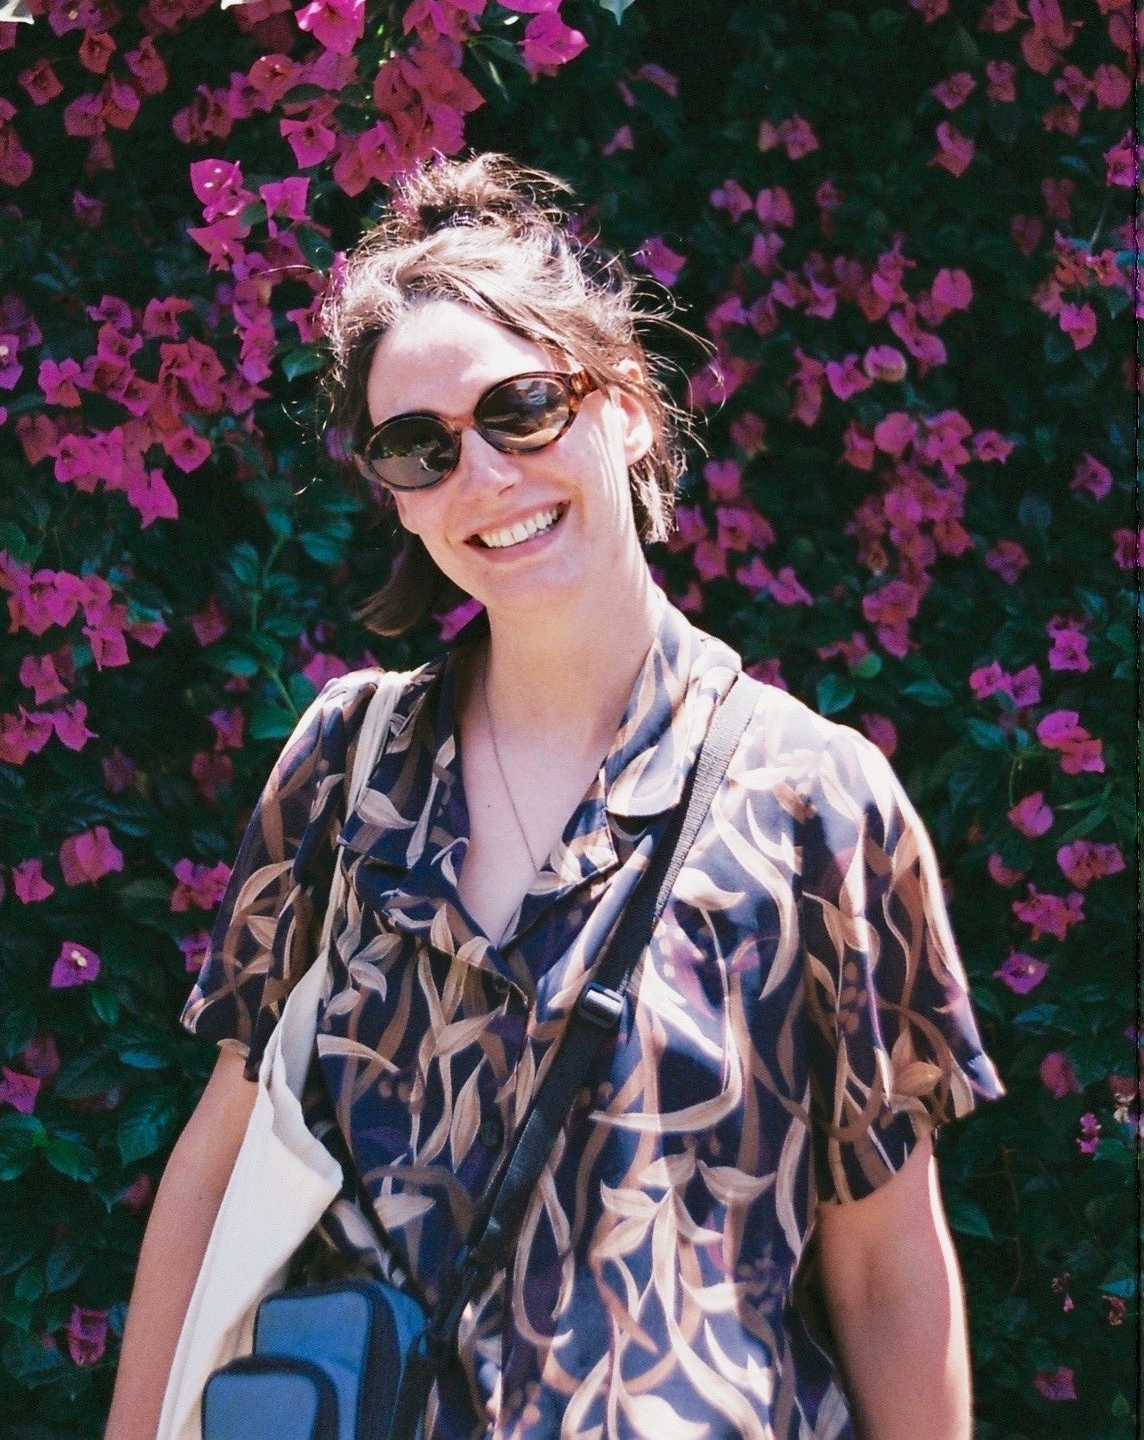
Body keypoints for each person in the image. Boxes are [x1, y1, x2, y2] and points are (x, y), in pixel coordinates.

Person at [104, 154, 1003, 1440]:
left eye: (522, 408)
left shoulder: (816, 803)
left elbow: (884, 1264)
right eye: (418, 447)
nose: (482, 474)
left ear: (624, 406)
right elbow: (217, 1158)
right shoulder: (346, 766)